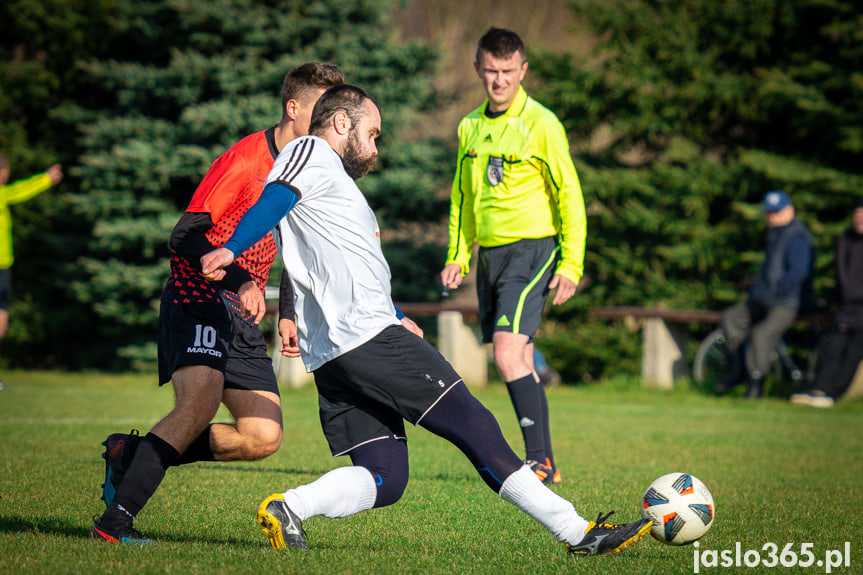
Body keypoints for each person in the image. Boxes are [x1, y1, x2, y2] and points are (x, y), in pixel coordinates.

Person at [201, 83, 650, 558]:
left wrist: (397, 314)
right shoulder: (310, 150)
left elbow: (343, 265)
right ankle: (577, 530)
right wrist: (232, 247)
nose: (375, 148)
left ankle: (289, 506)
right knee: (476, 425)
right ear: (340, 123)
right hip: (367, 340)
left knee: (386, 475)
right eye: (372, 134)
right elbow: (274, 202)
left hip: (341, 352)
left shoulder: (334, 182)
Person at [88, 62, 345, 544]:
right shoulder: (248, 159)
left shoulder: (308, 169)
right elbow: (184, 234)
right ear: (293, 108)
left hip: (242, 316)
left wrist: (287, 311)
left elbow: (296, 248)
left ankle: (131, 454)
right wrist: (246, 278)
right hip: (198, 296)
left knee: (262, 436)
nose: (332, 123)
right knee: (198, 407)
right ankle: (113, 524)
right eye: (321, 111)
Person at [439, 28, 586, 485]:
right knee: (517, 356)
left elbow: (570, 194)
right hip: (491, 255)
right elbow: (463, 198)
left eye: (508, 72)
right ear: (478, 70)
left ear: (523, 71)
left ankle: (539, 460)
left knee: (506, 354)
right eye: (491, 71)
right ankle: (544, 462)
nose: (499, 81)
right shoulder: (469, 127)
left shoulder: (542, 124)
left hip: (534, 248)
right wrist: (458, 255)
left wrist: (571, 263)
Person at [716, 190, 815, 399]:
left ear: (789, 211)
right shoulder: (774, 234)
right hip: (762, 299)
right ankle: (738, 370)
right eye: (769, 213)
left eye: (776, 212)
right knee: (731, 318)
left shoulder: (797, 236)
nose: (772, 217)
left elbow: (798, 271)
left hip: (786, 302)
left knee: (761, 335)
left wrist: (777, 289)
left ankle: (756, 383)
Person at [791, 198, 863, 407]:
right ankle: (819, 390)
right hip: (845, 307)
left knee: (853, 354)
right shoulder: (845, 239)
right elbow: (842, 274)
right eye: (857, 215)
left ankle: (832, 394)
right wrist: (849, 295)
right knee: (833, 348)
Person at [0, 155, 63, 391]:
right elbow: (20, 190)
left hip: (4, 265)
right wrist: (46, 179)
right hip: (3, 265)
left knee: (2, 314)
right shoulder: (2, 193)